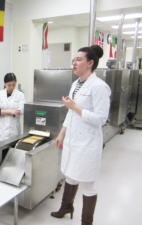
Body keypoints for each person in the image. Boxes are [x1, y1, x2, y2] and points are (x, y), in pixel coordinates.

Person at [51, 45, 111, 225]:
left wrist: (75, 107)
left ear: (90, 63)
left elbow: (101, 118)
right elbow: (70, 113)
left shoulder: (100, 87)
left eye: (79, 60)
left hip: (88, 143)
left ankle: (86, 222)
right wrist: (62, 133)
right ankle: (66, 206)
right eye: (74, 60)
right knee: (70, 175)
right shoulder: (75, 84)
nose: (74, 63)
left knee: (88, 184)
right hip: (73, 139)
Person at [0, 73, 25, 144]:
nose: (11, 87)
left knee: (12, 152)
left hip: (13, 129)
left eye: (13, 85)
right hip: (1, 130)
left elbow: (21, 110)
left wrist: (2, 111)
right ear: (5, 83)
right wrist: (11, 112)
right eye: (9, 85)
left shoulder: (20, 95)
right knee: (0, 153)